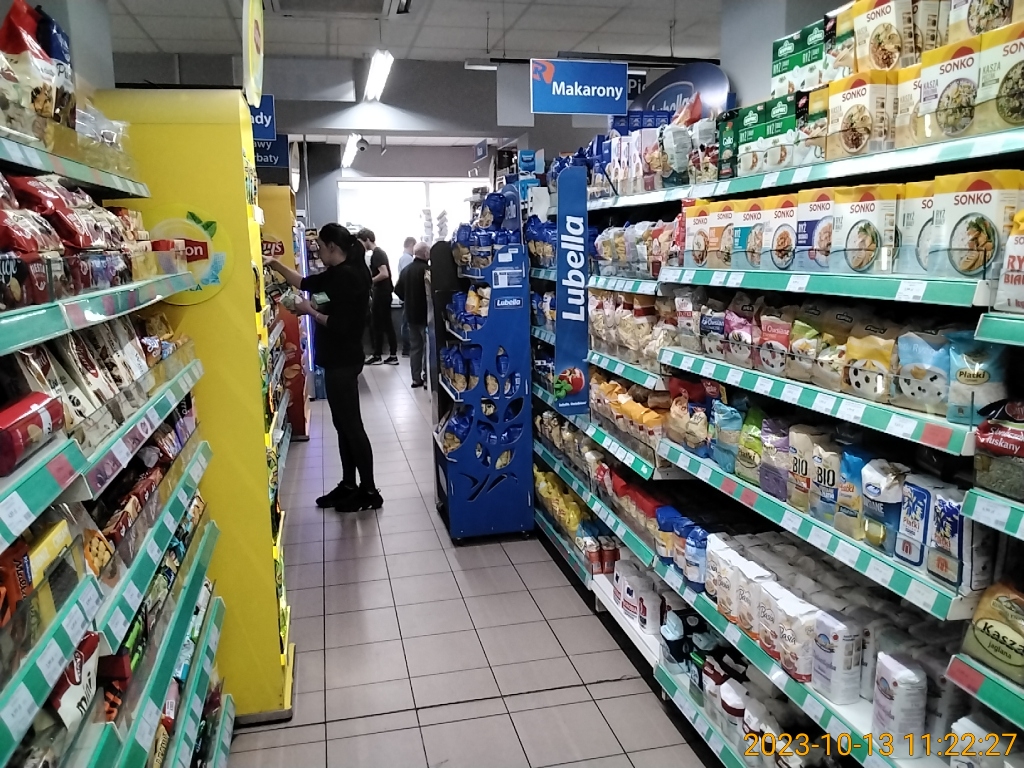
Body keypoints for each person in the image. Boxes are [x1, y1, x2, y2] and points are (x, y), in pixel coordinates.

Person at [264, 224, 384, 512]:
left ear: (333, 247)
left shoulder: (349, 276)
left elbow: (341, 324)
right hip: (337, 359)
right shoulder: (338, 272)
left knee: (351, 425)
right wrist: (276, 265)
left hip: (343, 359)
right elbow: (307, 283)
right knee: (342, 424)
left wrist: (310, 311)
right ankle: (349, 484)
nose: (316, 250)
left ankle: (369, 491)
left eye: (319, 245)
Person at [357, 228, 398, 365]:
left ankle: (378, 354)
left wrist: (369, 281)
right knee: (385, 323)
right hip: (383, 292)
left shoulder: (377, 254)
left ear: (367, 239)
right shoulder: (379, 253)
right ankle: (391, 354)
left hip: (381, 293)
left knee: (378, 324)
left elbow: (384, 273)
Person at [394, 241, 430, 388]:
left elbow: (397, 290)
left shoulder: (406, 270)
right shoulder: (427, 271)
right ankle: (427, 377)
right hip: (426, 315)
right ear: (425, 254)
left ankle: (416, 378)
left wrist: (408, 299)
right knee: (427, 348)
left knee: (415, 348)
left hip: (410, 315)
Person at [396, 236, 416, 356]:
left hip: (405, 295)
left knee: (406, 322)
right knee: (407, 324)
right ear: (411, 245)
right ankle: (407, 348)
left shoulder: (404, 258)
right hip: (408, 296)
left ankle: (407, 348)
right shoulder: (407, 259)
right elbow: (408, 278)